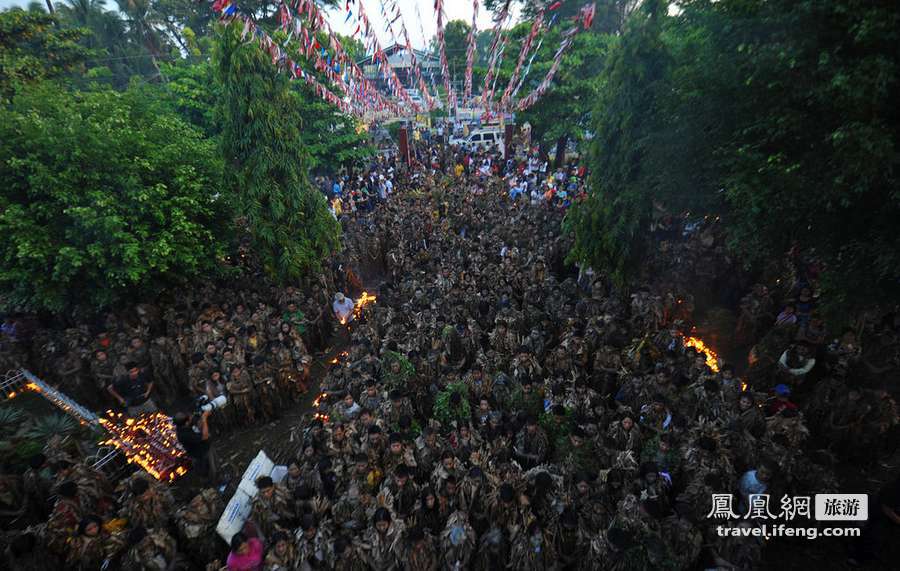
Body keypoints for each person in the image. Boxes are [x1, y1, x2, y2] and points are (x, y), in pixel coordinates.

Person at [175, 410, 217, 483]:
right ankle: (213, 485)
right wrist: (204, 418)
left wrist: (200, 417)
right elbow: (205, 436)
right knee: (209, 472)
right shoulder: (184, 434)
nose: (191, 418)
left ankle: (216, 480)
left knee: (214, 465)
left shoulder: (183, 426)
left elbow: (200, 426)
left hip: (205, 448)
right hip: (200, 455)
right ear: (186, 422)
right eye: (189, 418)